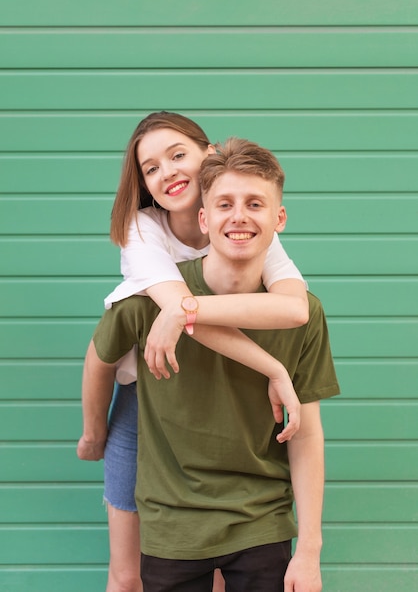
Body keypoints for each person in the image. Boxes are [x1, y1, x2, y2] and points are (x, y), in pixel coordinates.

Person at [81, 137, 340, 592]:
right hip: (172, 529)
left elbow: (308, 433)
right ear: (204, 217)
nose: (239, 216)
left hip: (262, 523)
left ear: (279, 218)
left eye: (255, 203)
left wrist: (310, 550)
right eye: (224, 204)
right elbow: (99, 359)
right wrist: (94, 431)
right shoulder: (146, 301)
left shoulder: (304, 311)